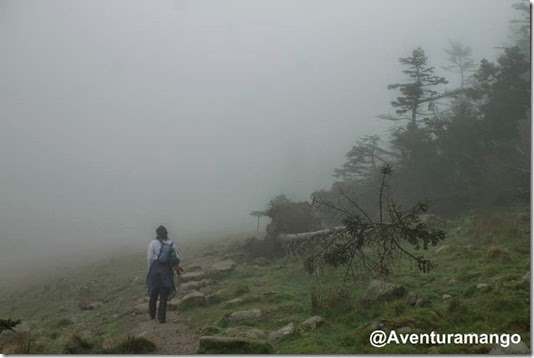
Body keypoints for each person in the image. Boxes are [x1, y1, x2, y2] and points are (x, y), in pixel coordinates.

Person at [146, 225, 180, 323]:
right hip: (166, 270)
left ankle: (152, 314)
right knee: (164, 294)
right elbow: (176, 257)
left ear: (157, 233)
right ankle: (162, 318)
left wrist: (149, 270)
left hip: (155, 269)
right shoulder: (171, 243)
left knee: (154, 293)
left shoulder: (153, 243)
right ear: (166, 233)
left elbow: (149, 258)